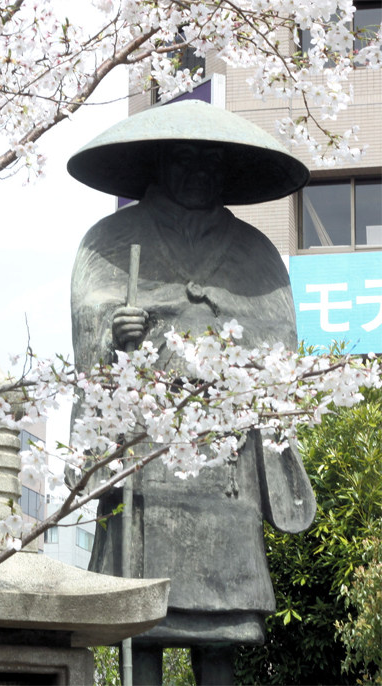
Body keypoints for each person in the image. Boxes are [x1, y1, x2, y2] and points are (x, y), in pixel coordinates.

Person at [67, 101, 317, 685]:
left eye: (211, 160)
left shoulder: (255, 251)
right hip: (146, 450)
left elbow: (279, 339)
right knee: (145, 623)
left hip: (223, 454)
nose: (199, 171)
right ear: (158, 162)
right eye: (184, 157)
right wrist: (114, 333)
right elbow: (91, 318)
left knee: (221, 633)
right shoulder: (111, 240)